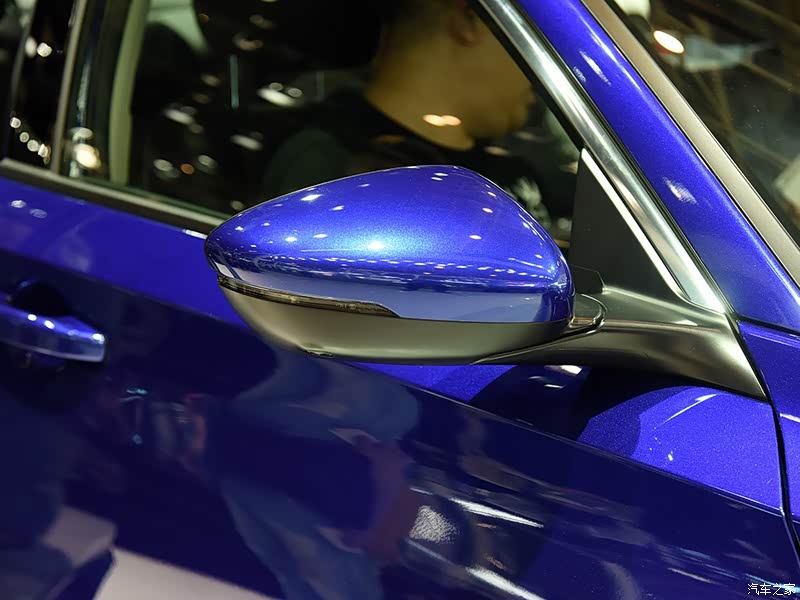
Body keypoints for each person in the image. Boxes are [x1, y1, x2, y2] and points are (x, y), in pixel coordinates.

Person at [262, 0, 576, 236]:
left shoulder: (514, 167)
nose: (542, 67)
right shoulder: (333, 169)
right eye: (532, 37)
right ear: (468, 20)